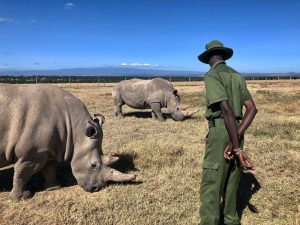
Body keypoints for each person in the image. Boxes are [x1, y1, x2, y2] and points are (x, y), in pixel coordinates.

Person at [198, 40, 258, 225]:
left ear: (209, 58)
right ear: (223, 55)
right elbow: (252, 109)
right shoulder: (237, 76)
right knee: (232, 178)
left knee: (212, 181)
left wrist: (235, 146)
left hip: (222, 130)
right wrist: (236, 142)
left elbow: (226, 110)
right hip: (238, 131)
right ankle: (231, 220)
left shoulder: (212, 75)